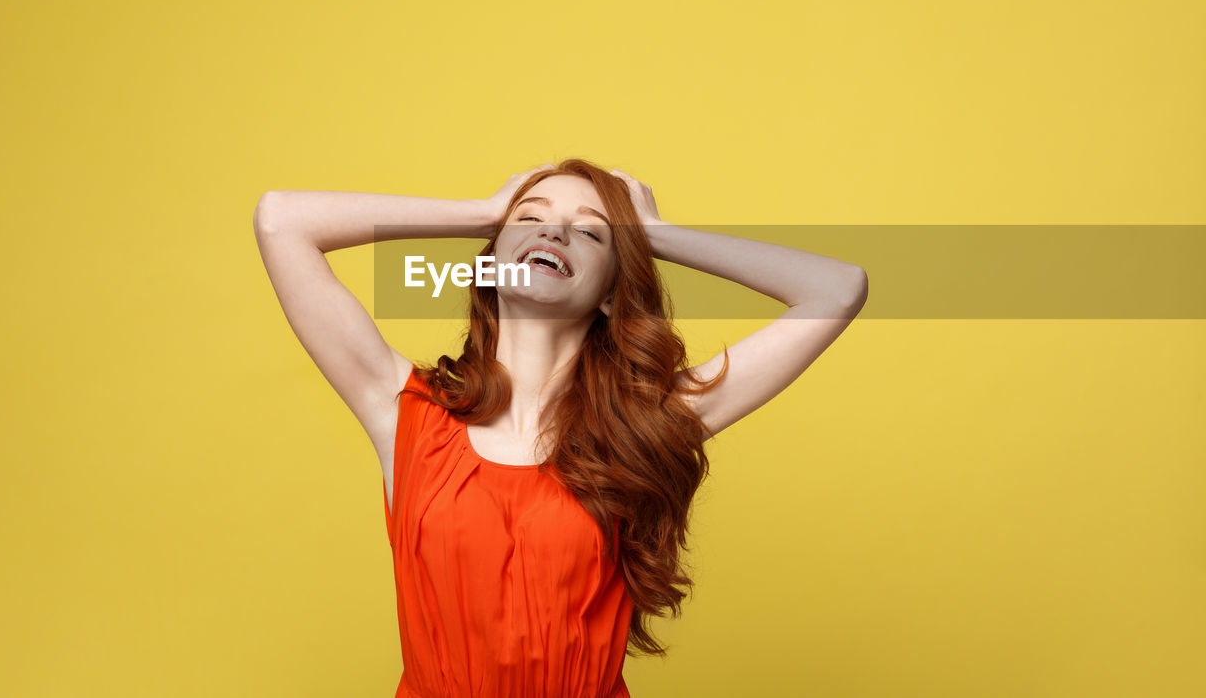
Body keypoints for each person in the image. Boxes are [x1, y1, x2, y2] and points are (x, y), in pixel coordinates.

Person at [252, 158, 868, 697]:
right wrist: (484, 212)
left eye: (591, 233)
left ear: (610, 293)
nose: (553, 229)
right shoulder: (404, 410)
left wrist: (654, 233)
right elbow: (282, 220)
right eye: (532, 219)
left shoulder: (645, 426)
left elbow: (837, 288)